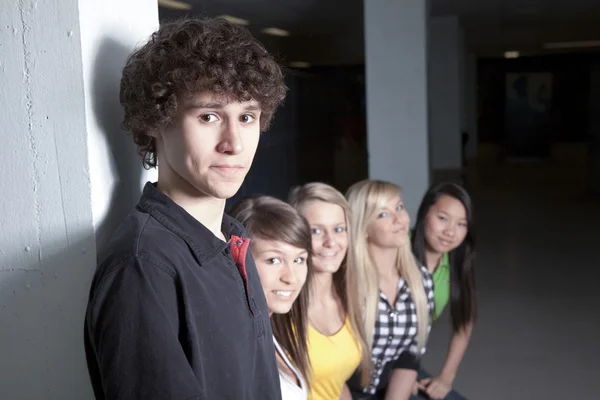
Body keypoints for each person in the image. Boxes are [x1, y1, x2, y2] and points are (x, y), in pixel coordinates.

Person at [83, 17, 287, 400]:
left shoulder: (236, 238)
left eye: (247, 117)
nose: (234, 143)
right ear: (156, 121)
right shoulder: (143, 264)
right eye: (209, 116)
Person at [345, 179, 434, 400]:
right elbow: (328, 370)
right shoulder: (346, 284)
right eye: (383, 214)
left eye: (399, 207)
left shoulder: (420, 279)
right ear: (363, 227)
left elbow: (409, 357)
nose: (399, 219)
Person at [289, 183, 371, 400]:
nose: (331, 242)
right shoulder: (281, 309)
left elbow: (336, 383)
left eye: (338, 229)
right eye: (316, 231)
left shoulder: (351, 299)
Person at [230, 195, 313, 400]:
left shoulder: (272, 331)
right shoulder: (233, 346)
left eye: (299, 259)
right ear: (238, 260)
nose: (291, 277)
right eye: (274, 260)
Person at [410, 183, 477, 400]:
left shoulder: (456, 260)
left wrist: (446, 377)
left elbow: (464, 321)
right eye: (442, 218)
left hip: (407, 364)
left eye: (461, 224)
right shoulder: (396, 251)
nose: (450, 232)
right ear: (424, 213)